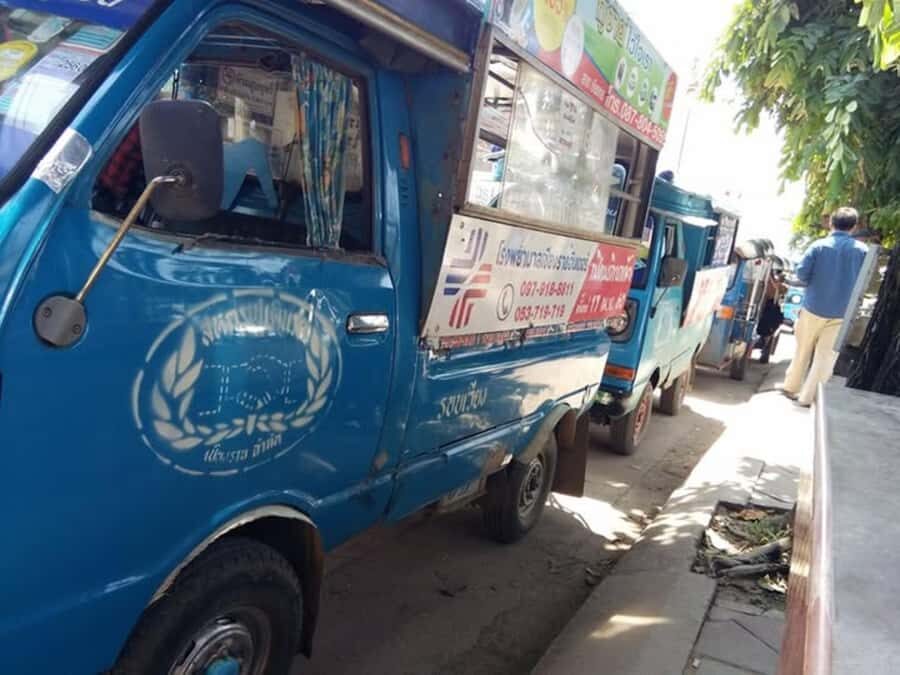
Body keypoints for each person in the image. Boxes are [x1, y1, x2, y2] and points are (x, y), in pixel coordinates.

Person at [782, 207, 869, 405]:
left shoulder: (819, 246)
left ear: (830, 223)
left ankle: (791, 387)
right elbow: (866, 283)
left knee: (802, 350)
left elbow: (802, 274)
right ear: (854, 227)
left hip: (813, 308)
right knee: (825, 358)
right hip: (842, 314)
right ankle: (808, 398)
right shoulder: (863, 251)